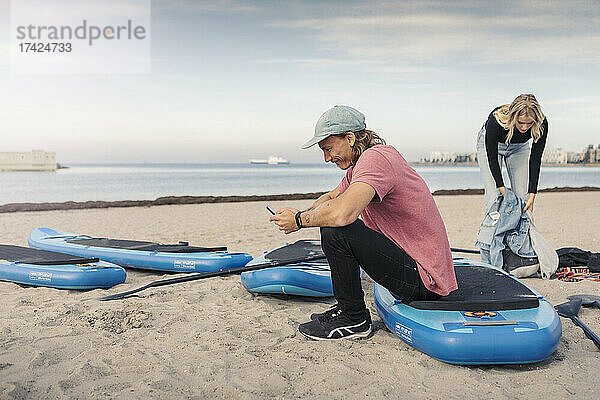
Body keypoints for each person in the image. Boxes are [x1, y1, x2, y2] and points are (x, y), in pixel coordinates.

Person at [270, 105, 458, 341]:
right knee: (331, 222)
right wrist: (300, 213)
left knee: (336, 230)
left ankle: (354, 318)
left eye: (328, 149)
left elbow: (343, 214)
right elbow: (330, 198)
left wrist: (299, 221)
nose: (326, 158)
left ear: (349, 138)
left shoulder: (377, 159)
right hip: (414, 269)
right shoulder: (360, 166)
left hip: (425, 280)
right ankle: (346, 309)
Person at [476, 94, 548, 260]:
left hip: (519, 149)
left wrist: (532, 194)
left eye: (529, 123)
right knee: (494, 198)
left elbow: (535, 159)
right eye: (520, 122)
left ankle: (523, 253)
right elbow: (492, 158)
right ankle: (490, 258)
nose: (524, 127)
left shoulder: (542, 124)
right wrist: (501, 187)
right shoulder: (496, 121)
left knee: (524, 200)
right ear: (513, 116)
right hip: (491, 147)